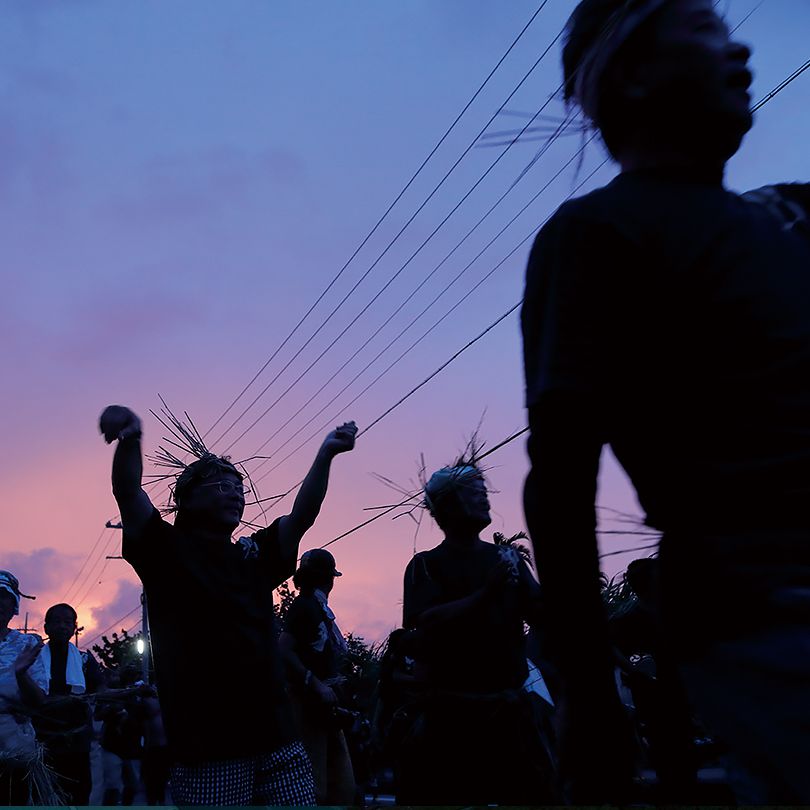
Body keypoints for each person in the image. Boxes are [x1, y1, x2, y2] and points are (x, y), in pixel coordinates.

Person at [521, 0, 810, 802]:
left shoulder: (791, 216)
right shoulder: (599, 235)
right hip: (769, 604)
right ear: (634, 77)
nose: (741, 51)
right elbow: (560, 481)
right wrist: (587, 694)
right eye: (704, 33)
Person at [99, 404, 358, 805]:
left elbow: (302, 515)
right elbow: (128, 492)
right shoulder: (164, 549)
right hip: (209, 746)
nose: (235, 493)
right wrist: (131, 438)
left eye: (238, 486)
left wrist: (326, 454)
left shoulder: (253, 555)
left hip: (278, 737)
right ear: (185, 498)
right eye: (221, 485)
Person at [398, 461, 557, 805]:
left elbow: (542, 615)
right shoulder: (426, 564)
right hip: (452, 722)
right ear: (449, 506)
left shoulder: (508, 558)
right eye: (475, 491)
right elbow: (427, 621)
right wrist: (486, 593)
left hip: (511, 717)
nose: (485, 497)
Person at [279, 549, 356, 804]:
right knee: (314, 783)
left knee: (339, 781)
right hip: (307, 703)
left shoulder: (317, 607)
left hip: (326, 706)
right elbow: (284, 648)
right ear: (329, 579)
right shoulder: (303, 606)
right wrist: (313, 682)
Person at [34, 602, 104, 805]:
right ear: (46, 627)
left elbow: (100, 688)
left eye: (68, 622)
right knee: (43, 797)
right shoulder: (34, 657)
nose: (62, 626)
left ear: (75, 627)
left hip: (78, 745)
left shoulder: (84, 659)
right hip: (41, 744)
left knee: (79, 795)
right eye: (57, 622)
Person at [0, 571, 50, 805]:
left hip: (15, 752)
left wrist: (21, 674)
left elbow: (38, 701)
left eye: (3, 596)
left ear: (14, 605)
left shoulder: (27, 644)